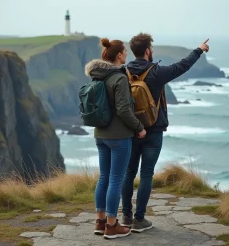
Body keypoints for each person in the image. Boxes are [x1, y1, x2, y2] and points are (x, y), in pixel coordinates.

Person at [121, 33, 210, 232]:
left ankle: (126, 216)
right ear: (147, 51)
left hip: (132, 130)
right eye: (151, 49)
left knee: (128, 172)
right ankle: (139, 219)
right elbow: (182, 66)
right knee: (146, 174)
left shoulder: (123, 72)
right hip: (153, 131)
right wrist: (199, 49)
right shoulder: (156, 72)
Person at [84, 38, 147, 239]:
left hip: (100, 134)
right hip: (119, 137)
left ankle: (100, 221)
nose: (126, 55)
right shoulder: (118, 78)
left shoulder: (98, 76)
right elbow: (123, 109)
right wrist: (139, 127)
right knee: (115, 179)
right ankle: (112, 226)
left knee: (104, 177)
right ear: (119, 55)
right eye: (125, 52)